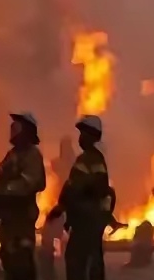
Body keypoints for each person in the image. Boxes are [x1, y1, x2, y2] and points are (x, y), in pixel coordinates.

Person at [47, 115, 115, 280]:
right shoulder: (85, 159)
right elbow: (72, 186)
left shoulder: (94, 159)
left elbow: (97, 189)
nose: (80, 138)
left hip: (87, 222)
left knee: (81, 263)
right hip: (82, 221)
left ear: (92, 135)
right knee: (81, 261)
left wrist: (71, 202)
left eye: (83, 134)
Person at [0, 112, 47, 280]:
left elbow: (29, 183)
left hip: (21, 217)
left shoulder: (32, 155)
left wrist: (2, 193)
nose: (12, 128)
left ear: (27, 131)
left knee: (21, 260)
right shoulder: (12, 155)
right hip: (7, 219)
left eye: (17, 125)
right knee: (8, 260)